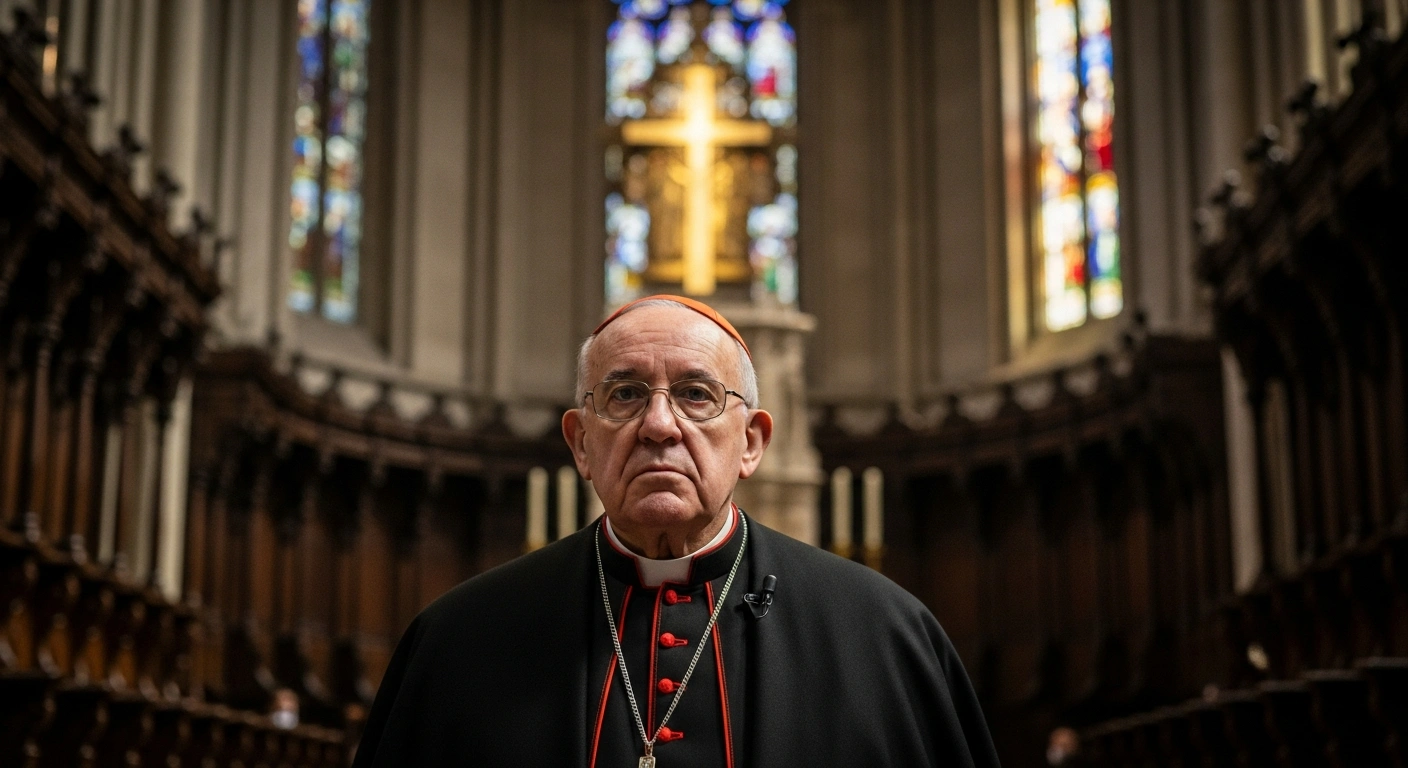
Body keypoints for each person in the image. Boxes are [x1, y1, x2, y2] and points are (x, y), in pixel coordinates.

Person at [352, 296, 1001, 767]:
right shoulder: (460, 642)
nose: (660, 426)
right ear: (580, 444)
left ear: (751, 442)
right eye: (625, 395)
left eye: (696, 394)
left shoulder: (883, 636)